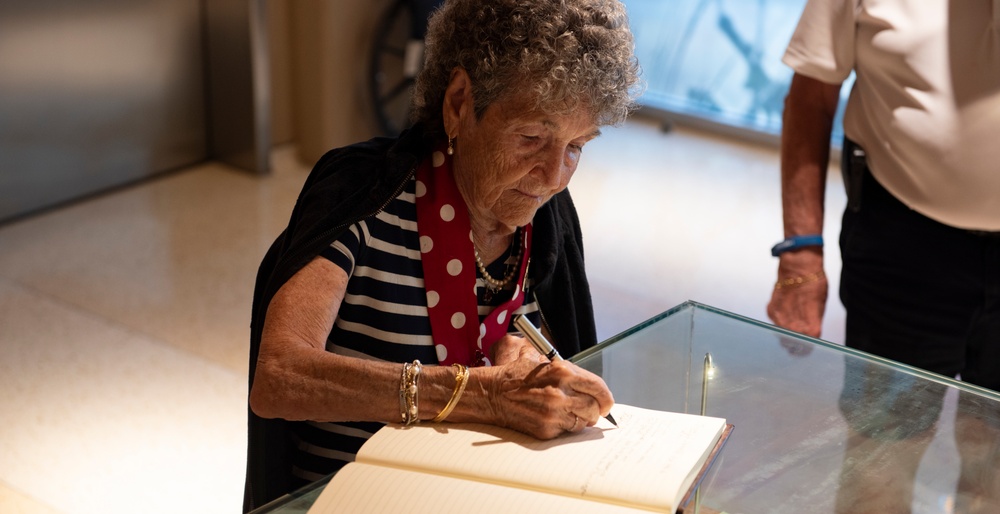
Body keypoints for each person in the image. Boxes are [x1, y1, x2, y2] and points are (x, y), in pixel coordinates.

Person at [242, 0, 642, 510]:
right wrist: (480, 394)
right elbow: (280, 377)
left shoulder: (550, 219)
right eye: (531, 137)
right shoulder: (365, 192)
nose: (553, 176)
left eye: (577, 146)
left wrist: (520, 364)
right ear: (458, 103)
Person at [768, 1, 1000, 511]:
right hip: (903, 243)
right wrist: (800, 251)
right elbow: (811, 94)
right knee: (882, 453)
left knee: (995, 463)